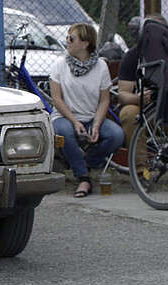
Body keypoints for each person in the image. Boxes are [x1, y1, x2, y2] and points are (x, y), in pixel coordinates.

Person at [117, 15, 168, 193]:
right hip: (144, 109)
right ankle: (141, 174)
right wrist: (137, 99)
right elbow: (123, 93)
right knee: (128, 113)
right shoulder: (133, 56)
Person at [50, 23, 125, 198]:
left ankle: (87, 164)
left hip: (91, 116)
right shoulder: (60, 65)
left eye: (71, 38)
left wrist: (97, 124)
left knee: (117, 135)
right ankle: (83, 177)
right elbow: (57, 99)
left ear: (85, 44)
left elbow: (104, 100)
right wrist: (75, 121)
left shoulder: (100, 66)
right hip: (65, 116)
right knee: (64, 131)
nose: (66, 41)